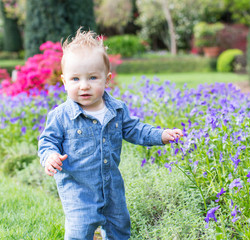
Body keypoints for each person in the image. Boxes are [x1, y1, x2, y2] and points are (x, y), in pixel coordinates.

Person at [38, 28, 183, 240]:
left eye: (93, 78)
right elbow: (47, 141)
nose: (84, 86)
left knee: (119, 229)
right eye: (76, 79)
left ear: (107, 79)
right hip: (79, 192)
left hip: (113, 189)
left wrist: (161, 135)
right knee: (80, 232)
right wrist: (50, 156)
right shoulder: (61, 116)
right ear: (64, 81)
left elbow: (135, 129)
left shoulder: (116, 110)